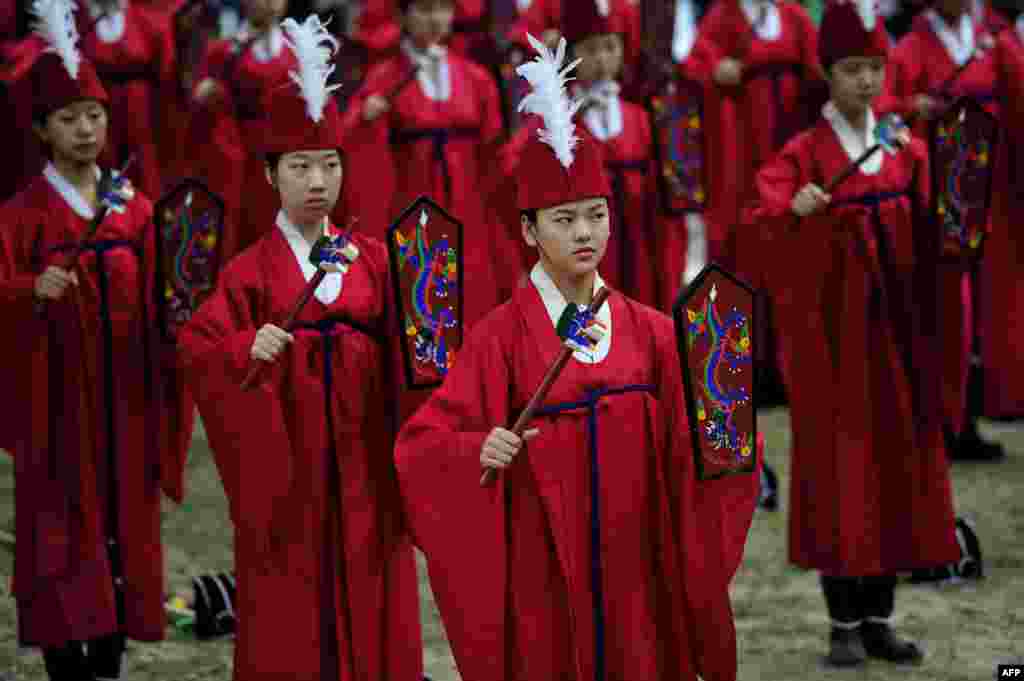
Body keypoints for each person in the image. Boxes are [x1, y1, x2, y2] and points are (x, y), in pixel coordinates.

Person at [395, 35, 759, 681]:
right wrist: (478, 447)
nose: (585, 233)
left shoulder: (652, 332)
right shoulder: (498, 337)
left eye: (596, 215)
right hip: (545, 565)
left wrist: (725, 431)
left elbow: (704, 448)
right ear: (529, 230)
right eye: (564, 220)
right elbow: (424, 441)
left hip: (636, 561)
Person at [178, 16, 424, 681]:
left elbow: (420, 362)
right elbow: (197, 349)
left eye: (331, 164)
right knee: (293, 606)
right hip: (292, 476)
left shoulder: (375, 260)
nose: (318, 180)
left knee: (375, 595)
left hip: (365, 471)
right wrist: (243, 348)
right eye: (300, 166)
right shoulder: (249, 272)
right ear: (269, 174)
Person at [746, 0, 960, 666]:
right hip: (832, 344)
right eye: (851, 69)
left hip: (895, 337)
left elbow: (943, 228)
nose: (866, 81)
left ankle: (880, 615)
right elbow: (758, 223)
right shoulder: (804, 153)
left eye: (875, 67)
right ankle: (841, 619)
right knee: (840, 471)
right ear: (826, 73)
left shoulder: (904, 150)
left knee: (894, 467)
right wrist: (795, 210)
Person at [0, 2, 192, 678]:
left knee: (123, 525)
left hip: (127, 401)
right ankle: (63, 657)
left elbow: (168, 298)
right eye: (69, 119)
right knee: (62, 527)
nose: (86, 130)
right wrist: (28, 291)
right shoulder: (22, 214)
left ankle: (110, 653)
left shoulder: (132, 206)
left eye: (95, 116)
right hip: (58, 407)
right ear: (41, 129)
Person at [881, 0, 1007, 458]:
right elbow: (885, 112)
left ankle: (985, 402)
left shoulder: (991, 33)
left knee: (991, 300)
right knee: (955, 305)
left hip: (992, 178)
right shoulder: (912, 46)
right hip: (940, 191)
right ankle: (952, 419)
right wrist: (913, 105)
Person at [340, 0, 506, 328]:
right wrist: (365, 119)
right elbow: (352, 145)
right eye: (424, 9)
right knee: (419, 313)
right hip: (412, 212)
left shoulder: (477, 78)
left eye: (442, 9)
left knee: (472, 306)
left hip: (467, 212)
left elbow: (493, 158)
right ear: (403, 16)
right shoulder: (384, 78)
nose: (435, 19)